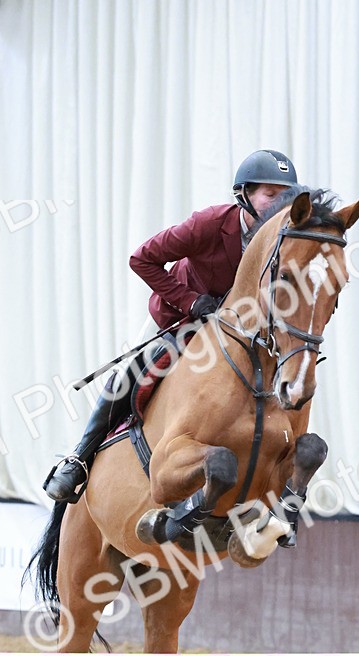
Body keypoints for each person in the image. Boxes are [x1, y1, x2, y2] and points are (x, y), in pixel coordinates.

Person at [43, 149, 298, 502]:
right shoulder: (209, 223)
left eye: (285, 196)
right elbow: (142, 259)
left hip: (240, 333)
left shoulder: (283, 239)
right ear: (244, 195)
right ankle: (79, 460)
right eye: (270, 195)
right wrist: (191, 300)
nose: (279, 203)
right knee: (132, 372)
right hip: (181, 319)